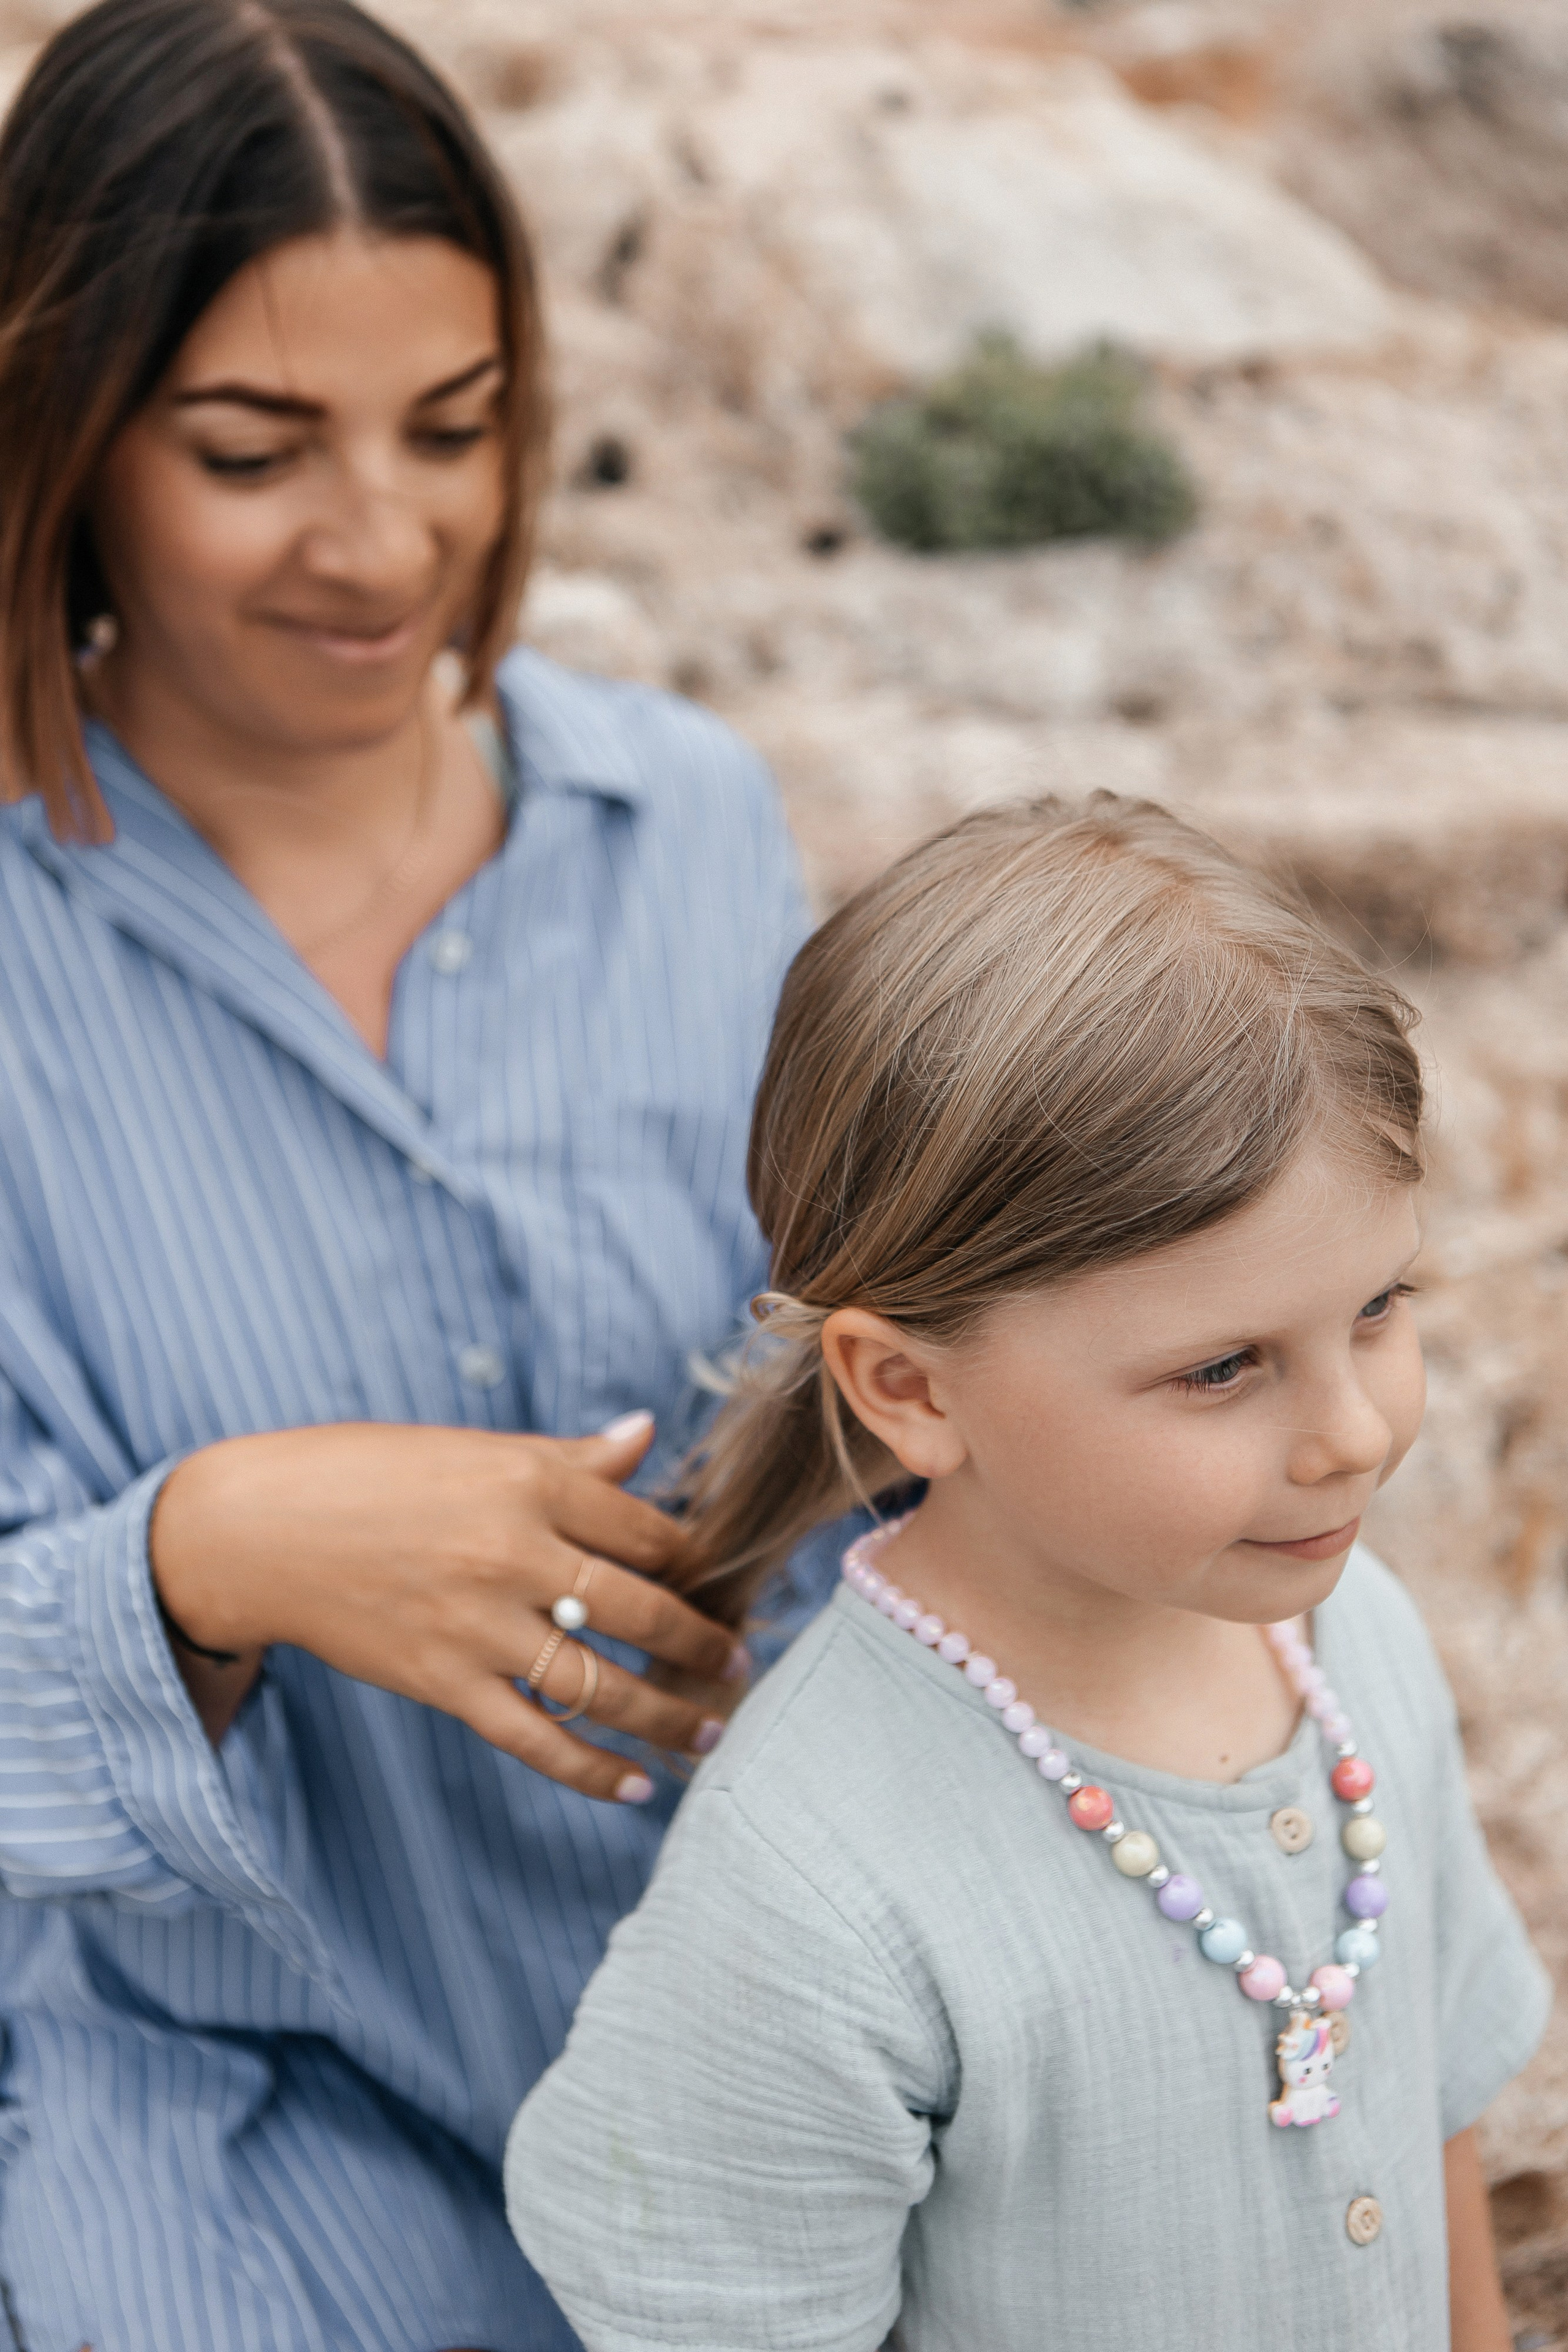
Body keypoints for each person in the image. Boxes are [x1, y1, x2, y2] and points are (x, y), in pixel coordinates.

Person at [0, 4, 834, 2346]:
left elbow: (888, 1441)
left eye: (452, 429)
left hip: (784, 2084)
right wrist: (214, 1552)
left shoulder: (693, 828)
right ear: (64, 434)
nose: (387, 541)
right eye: (256, 450)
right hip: (240, 2145)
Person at [507, 796, 1551, 2351]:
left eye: (1378, 1305)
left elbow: (1431, 2111)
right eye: (1219, 1368)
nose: (1349, 1434)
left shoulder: (1353, 1639)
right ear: (909, 1388)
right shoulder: (811, 1892)